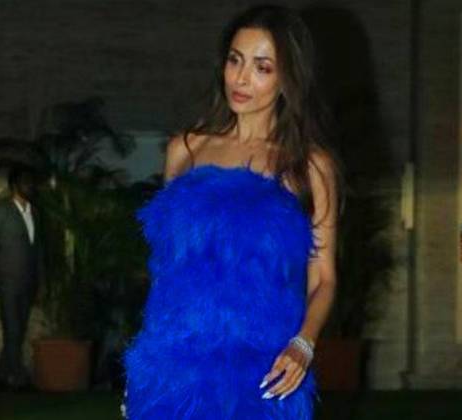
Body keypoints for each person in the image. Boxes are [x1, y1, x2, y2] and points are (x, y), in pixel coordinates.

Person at [122, 4, 339, 419]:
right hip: (174, 367)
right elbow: (166, 268)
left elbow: (324, 278)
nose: (241, 78)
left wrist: (304, 343)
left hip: (265, 367)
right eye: (235, 60)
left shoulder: (309, 166)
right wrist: (143, 367)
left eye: (262, 67)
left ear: (287, 79)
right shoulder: (186, 149)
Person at [0, 166, 42, 391]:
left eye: (32, 182)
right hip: (7, 281)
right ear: (15, 185)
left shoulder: (34, 212)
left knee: (18, 331)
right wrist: (4, 263)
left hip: (28, 281)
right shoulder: (3, 210)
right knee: (13, 329)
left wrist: (40, 281)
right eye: (26, 182)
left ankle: (2, 376)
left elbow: (38, 250)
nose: (31, 186)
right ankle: (18, 377)